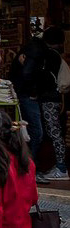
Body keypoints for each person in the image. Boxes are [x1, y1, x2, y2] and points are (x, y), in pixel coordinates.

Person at [10, 32, 53, 167]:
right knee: (35, 130)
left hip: (24, 92)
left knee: (31, 129)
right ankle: (29, 164)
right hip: (27, 95)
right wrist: (33, 91)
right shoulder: (37, 50)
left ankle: (28, 162)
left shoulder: (32, 47)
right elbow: (27, 73)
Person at [38, 27, 68, 182]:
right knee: (55, 131)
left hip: (49, 99)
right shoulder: (58, 56)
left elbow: (44, 79)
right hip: (55, 98)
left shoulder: (49, 56)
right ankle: (59, 166)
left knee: (54, 131)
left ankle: (61, 168)